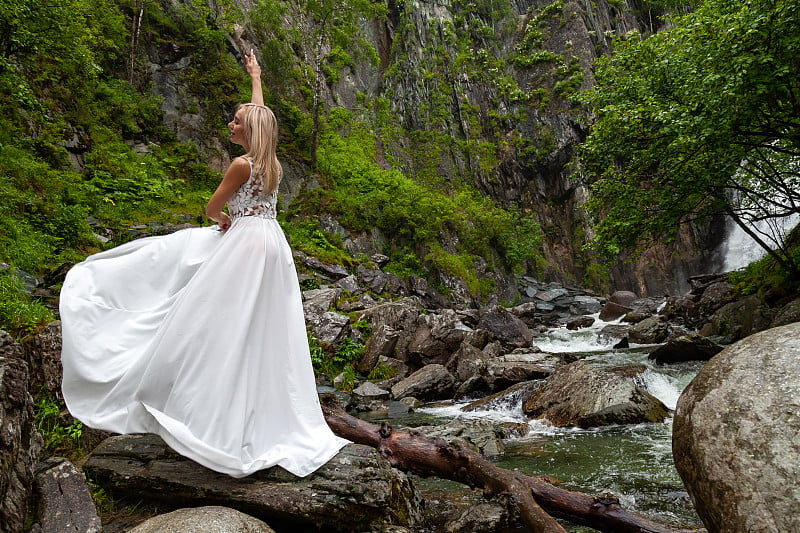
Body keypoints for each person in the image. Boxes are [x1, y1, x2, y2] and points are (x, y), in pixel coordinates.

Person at [59, 50, 349, 478]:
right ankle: (262, 406)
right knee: (262, 328)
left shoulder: (238, 165)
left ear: (248, 130)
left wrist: (223, 221)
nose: (231, 124)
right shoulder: (273, 164)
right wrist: (255, 75)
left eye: (236, 121)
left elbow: (212, 208)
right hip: (273, 243)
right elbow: (262, 116)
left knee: (215, 320)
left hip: (245, 242)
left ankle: (201, 405)